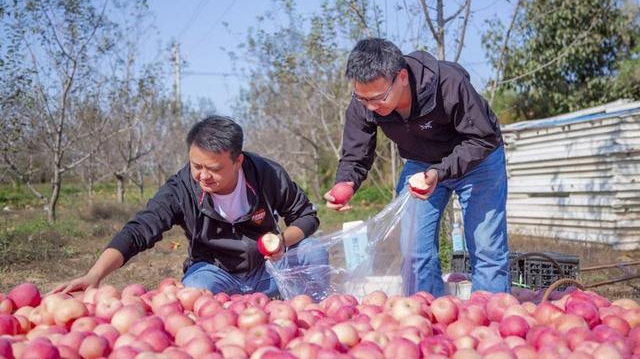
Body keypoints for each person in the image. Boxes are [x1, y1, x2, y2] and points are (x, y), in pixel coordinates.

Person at [54, 116, 329, 299]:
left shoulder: (266, 174)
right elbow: (140, 229)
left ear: (238, 161)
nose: (203, 176)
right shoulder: (182, 187)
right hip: (214, 272)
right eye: (196, 166)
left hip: (267, 269)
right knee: (195, 291)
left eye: (214, 169)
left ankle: (309, 312)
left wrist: (282, 240)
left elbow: (306, 215)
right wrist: (95, 274)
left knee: (313, 251)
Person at [325, 38, 509, 297]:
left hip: (478, 159)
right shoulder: (365, 101)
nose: (370, 106)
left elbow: (483, 137)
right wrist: (346, 181)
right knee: (415, 250)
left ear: (401, 77)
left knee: (486, 246)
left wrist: (440, 172)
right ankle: (427, 315)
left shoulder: (448, 84)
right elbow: (356, 152)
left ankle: (491, 319)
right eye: (362, 98)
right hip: (421, 163)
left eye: (378, 98)